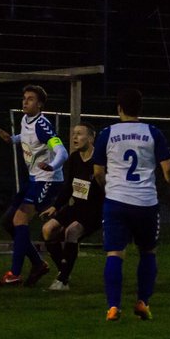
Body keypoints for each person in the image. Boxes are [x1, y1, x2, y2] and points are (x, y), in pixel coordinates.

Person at [90, 88, 170, 320]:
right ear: (141, 109)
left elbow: (98, 172)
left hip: (116, 201)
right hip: (146, 202)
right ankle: (142, 302)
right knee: (148, 252)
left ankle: (113, 306)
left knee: (114, 253)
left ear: (118, 108)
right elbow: (168, 169)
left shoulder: (107, 133)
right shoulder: (153, 132)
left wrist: (107, 189)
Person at [0, 85, 67, 287]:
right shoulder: (26, 120)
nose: (25, 102)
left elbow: (62, 151)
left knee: (19, 219)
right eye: (24, 98)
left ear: (40, 104)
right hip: (34, 179)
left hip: (47, 180)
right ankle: (37, 263)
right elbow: (28, 139)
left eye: (30, 99)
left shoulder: (42, 125)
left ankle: (14, 273)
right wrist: (13, 139)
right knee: (8, 221)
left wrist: (52, 165)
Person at [41, 123, 104, 291]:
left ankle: (62, 281)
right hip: (76, 207)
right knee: (47, 230)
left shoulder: (100, 160)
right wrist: (55, 206)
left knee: (71, 232)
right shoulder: (74, 158)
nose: (74, 137)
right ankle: (65, 270)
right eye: (73, 134)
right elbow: (69, 186)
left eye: (79, 134)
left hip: (94, 210)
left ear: (91, 138)